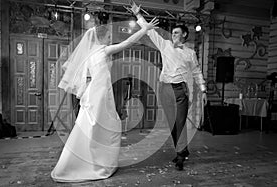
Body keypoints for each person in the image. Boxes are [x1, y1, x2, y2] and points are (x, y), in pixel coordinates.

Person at [50, 17, 159, 182]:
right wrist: (144, 29)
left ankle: (93, 162)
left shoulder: (89, 54)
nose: (110, 39)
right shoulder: (102, 50)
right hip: (99, 95)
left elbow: (86, 77)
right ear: (100, 38)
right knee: (106, 128)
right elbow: (127, 43)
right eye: (108, 37)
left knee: (93, 129)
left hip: (95, 93)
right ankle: (97, 164)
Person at [129, 1, 207, 170]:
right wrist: (138, 15)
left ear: (185, 35)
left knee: (180, 122)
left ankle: (180, 155)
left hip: (180, 90)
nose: (173, 35)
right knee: (172, 123)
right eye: (172, 33)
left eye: (177, 33)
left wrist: (202, 89)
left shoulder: (190, 53)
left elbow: (196, 72)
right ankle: (182, 150)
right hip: (165, 89)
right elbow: (150, 33)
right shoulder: (164, 45)